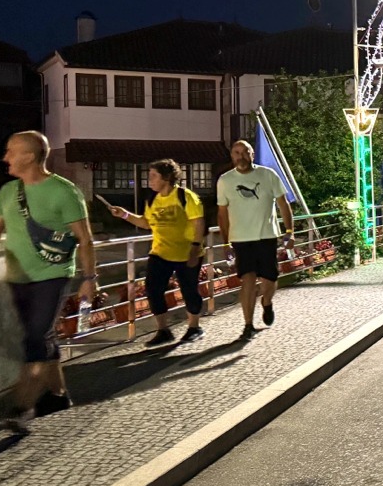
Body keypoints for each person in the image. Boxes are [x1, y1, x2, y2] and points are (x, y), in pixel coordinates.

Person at [0, 131, 95, 434]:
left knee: (35, 339)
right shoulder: (7, 193)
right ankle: (58, 396)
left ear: (28, 156)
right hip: (18, 278)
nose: (5, 158)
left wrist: (89, 279)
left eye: (10, 152)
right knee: (43, 338)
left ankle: (22, 407)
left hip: (52, 277)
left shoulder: (64, 192)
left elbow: (85, 239)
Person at [108, 159, 206, 346]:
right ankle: (163, 330)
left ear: (167, 177)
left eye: (153, 176)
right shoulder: (152, 199)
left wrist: (195, 248)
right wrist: (124, 215)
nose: (149, 180)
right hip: (160, 252)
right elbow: (146, 223)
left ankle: (194, 327)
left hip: (186, 253)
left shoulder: (186, 196)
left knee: (189, 290)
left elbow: (198, 223)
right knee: (153, 289)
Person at [217, 140, 293, 339]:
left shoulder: (268, 175)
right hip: (241, 239)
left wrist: (290, 231)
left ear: (252, 154)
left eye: (245, 152)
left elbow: (284, 205)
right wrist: (225, 242)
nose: (241, 156)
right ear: (232, 156)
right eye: (236, 153)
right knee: (248, 279)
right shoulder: (225, 181)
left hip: (266, 236)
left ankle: (267, 302)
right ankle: (248, 324)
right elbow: (222, 214)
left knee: (270, 280)